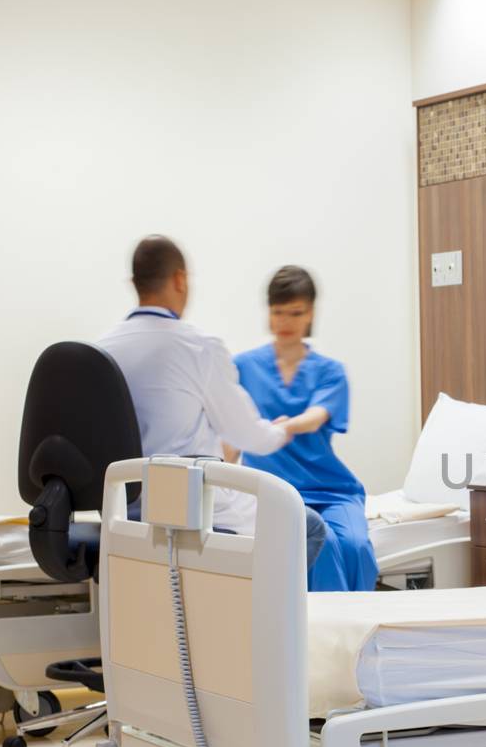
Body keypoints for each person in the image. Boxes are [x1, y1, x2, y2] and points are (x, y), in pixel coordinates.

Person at [98, 236, 326, 567]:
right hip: (194, 513)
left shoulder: (102, 349)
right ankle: (266, 619)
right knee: (309, 526)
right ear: (180, 279)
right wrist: (282, 430)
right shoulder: (198, 348)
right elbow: (250, 437)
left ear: (134, 283)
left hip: (127, 512)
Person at [234, 266, 377, 592]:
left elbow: (315, 417)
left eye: (296, 313)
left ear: (310, 313)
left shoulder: (331, 372)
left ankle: (358, 626)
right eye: (278, 312)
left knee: (355, 546)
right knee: (322, 543)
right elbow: (230, 434)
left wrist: (281, 428)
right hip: (277, 491)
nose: (285, 322)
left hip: (332, 489)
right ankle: (327, 636)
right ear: (268, 313)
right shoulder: (243, 367)